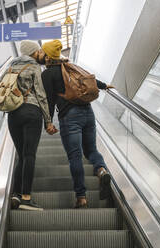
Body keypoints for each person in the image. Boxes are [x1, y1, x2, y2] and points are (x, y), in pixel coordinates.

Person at [41, 40, 112, 208]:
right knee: (92, 150)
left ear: (48, 55)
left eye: (44, 53)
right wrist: (104, 86)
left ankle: (82, 198)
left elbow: (49, 101)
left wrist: (49, 121)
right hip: (88, 112)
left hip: (69, 117)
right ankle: (101, 170)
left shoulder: (47, 74)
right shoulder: (70, 66)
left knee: (75, 156)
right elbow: (89, 80)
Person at [0, 40, 57, 210]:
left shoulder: (11, 67)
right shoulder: (34, 66)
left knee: (21, 155)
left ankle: (16, 195)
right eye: (39, 51)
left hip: (13, 115)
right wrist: (48, 121)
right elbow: (41, 95)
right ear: (34, 52)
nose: (41, 54)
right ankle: (26, 198)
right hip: (31, 112)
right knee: (29, 155)